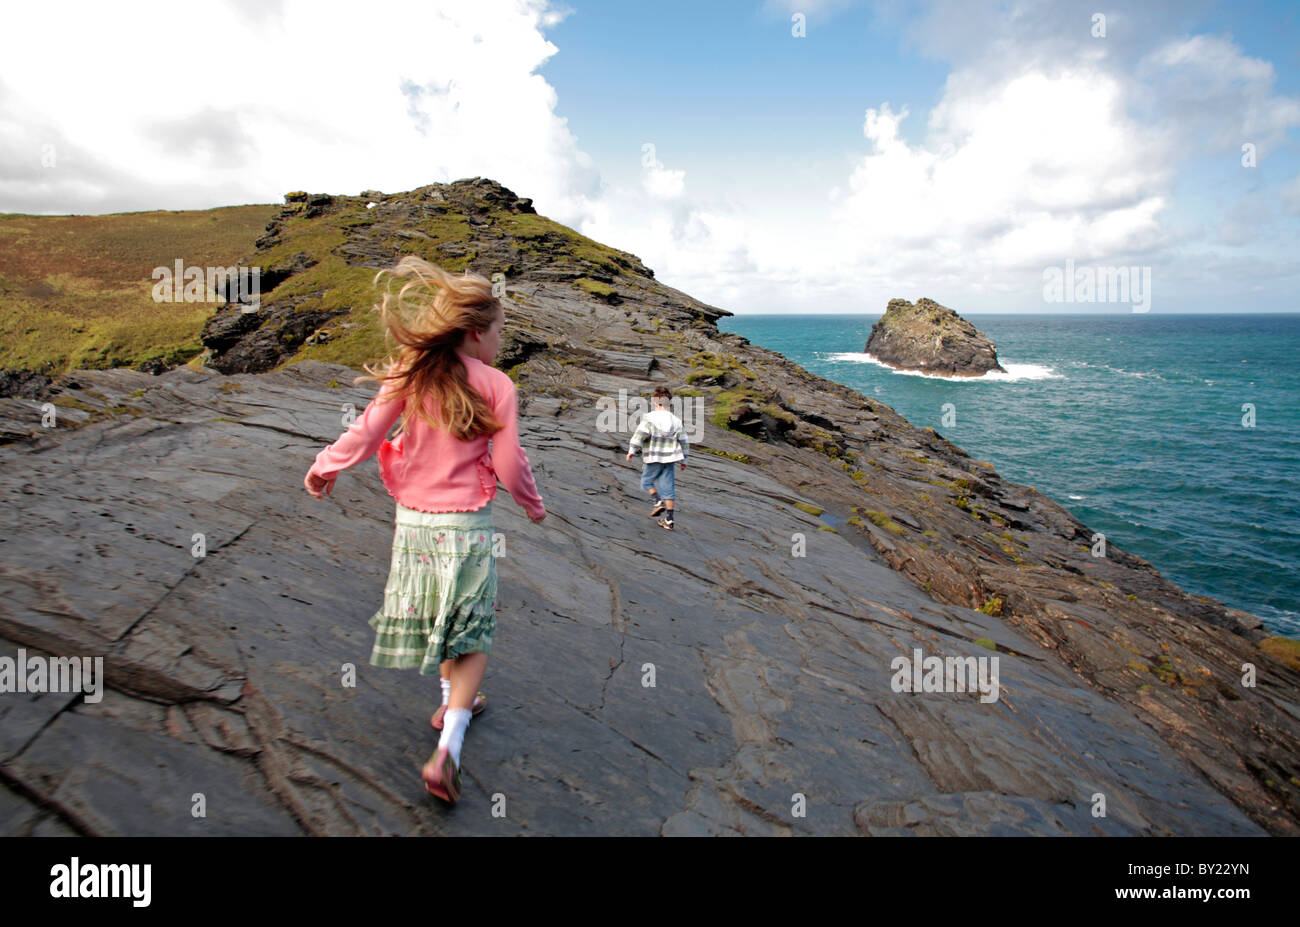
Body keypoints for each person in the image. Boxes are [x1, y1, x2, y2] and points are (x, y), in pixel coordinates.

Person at [302, 255, 546, 805]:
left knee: (440, 616)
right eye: (500, 330)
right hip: (466, 525)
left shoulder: (411, 373)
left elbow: (365, 434)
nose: (502, 341)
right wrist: (532, 506)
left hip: (412, 524)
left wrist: (324, 467)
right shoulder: (497, 384)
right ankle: (450, 747)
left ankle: (448, 700)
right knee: (472, 630)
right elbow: (510, 465)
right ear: (476, 332)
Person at [625, 385, 688, 529]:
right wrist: (684, 459)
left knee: (646, 482)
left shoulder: (650, 418)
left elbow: (639, 436)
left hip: (653, 457)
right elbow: (684, 441)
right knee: (668, 488)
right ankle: (670, 520)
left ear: (654, 401)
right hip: (670, 459)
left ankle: (657, 501)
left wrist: (631, 451)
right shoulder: (676, 421)